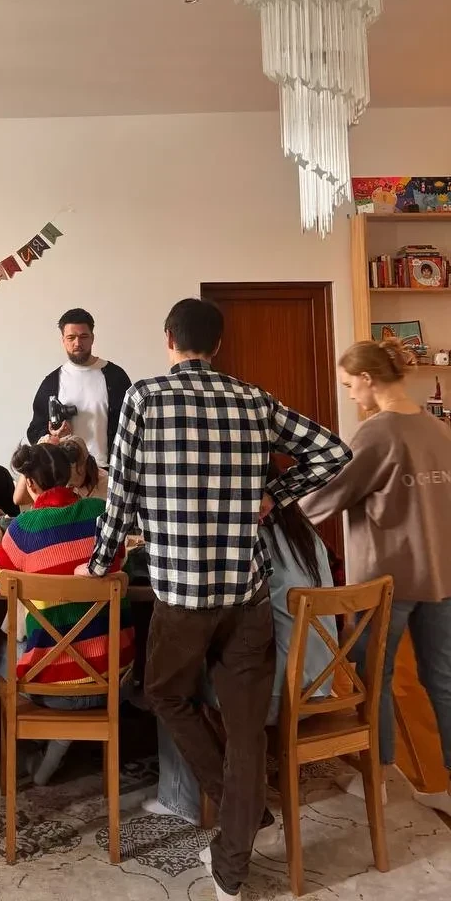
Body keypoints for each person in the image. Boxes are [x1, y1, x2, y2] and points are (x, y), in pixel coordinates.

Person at [88, 298, 351, 901]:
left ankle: (240, 808)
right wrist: (275, 494)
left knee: (162, 693)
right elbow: (333, 452)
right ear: (219, 345)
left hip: (180, 594)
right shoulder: (253, 400)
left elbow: (120, 494)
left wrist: (100, 563)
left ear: (168, 339)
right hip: (245, 594)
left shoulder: (144, 398)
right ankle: (232, 862)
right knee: (246, 728)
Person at [300, 337, 451, 816]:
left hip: (385, 582)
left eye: (350, 385)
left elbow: (327, 496)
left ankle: (379, 776)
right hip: (441, 576)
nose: (350, 394)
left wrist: (280, 510)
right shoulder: (438, 428)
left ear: (368, 379)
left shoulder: (374, 434)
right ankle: (446, 784)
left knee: (374, 678)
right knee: (443, 681)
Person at [147, 495, 337, 823]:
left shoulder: (245, 538)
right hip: (320, 683)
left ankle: (187, 799)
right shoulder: (304, 530)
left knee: (171, 684)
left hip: (278, 694)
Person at [0, 442, 134, 784]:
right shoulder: (101, 514)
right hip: (113, 682)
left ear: (31, 484)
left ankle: (38, 751)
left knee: (4, 651)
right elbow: (119, 559)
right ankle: (55, 751)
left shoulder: (22, 530)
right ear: (69, 473)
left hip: (49, 689)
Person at [27, 308, 131, 467]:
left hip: (108, 470)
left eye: (83, 336)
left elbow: (132, 426)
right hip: (66, 472)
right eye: (71, 337)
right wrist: (53, 437)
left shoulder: (116, 377)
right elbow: (35, 431)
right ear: (63, 340)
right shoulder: (52, 382)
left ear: (92, 338)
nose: (77, 343)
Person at [13, 434, 107, 508]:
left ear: (86, 463)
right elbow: (18, 499)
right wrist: (36, 453)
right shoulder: (55, 478)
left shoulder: (106, 485)